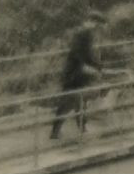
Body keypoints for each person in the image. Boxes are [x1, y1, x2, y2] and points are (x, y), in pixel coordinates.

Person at [51, 10, 125, 140]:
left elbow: (89, 56)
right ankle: (56, 133)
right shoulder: (81, 34)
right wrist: (94, 69)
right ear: (91, 22)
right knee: (68, 103)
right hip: (74, 74)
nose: (97, 29)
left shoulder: (87, 34)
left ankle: (80, 130)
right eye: (97, 26)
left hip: (79, 73)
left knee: (79, 103)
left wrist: (99, 66)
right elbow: (78, 56)